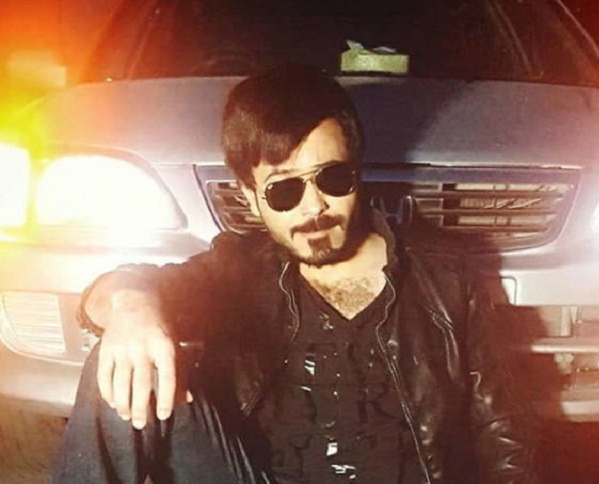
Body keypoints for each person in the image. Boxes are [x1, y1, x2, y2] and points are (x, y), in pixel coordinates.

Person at [54, 64, 537, 484]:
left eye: (332, 178)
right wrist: (132, 303)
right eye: (284, 191)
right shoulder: (237, 270)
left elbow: (503, 437)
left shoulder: (445, 277)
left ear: (357, 172)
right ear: (250, 196)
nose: (314, 207)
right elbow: (110, 298)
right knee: (121, 355)